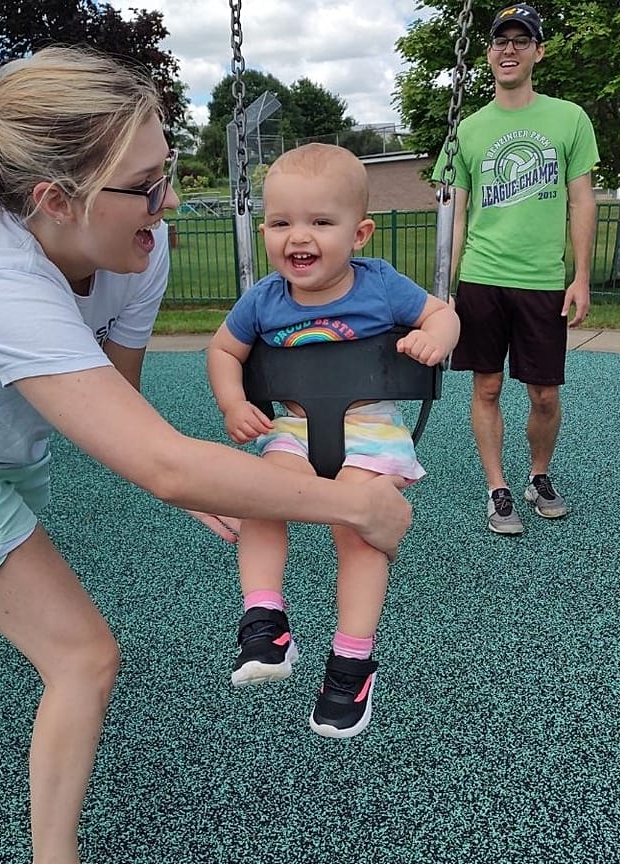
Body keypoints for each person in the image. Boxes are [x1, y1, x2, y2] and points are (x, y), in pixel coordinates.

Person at [0, 47, 414, 864]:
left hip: (2, 442)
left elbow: (122, 403)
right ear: (57, 199)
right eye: (147, 185)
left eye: (166, 173)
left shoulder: (138, 245)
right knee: (82, 657)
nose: (167, 204)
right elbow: (158, 461)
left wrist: (180, 471)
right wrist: (355, 503)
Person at [204, 143, 461, 738]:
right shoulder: (262, 299)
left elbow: (441, 313)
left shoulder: (382, 286)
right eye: (281, 222)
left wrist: (435, 339)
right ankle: (265, 622)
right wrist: (234, 401)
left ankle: (351, 661)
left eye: (321, 222)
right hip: (292, 432)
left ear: (360, 233)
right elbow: (222, 349)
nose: (300, 236)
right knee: (260, 498)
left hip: (371, 432)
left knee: (356, 525)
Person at [448, 3, 599, 534]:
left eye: (520, 40)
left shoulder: (568, 118)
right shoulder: (468, 128)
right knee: (486, 387)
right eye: (499, 40)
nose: (507, 49)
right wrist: (447, 285)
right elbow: (458, 211)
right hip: (482, 277)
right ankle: (498, 488)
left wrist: (580, 276)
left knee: (544, 394)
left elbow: (582, 201)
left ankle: (538, 474)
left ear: (538, 51)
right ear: (488, 52)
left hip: (541, 280)